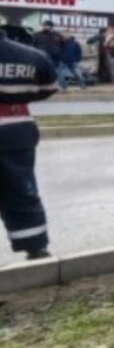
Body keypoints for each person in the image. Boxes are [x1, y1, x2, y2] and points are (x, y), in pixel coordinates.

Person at [0, 30, 58, 260]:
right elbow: (48, 87)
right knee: (21, 192)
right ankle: (35, 248)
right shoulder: (31, 56)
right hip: (16, 129)